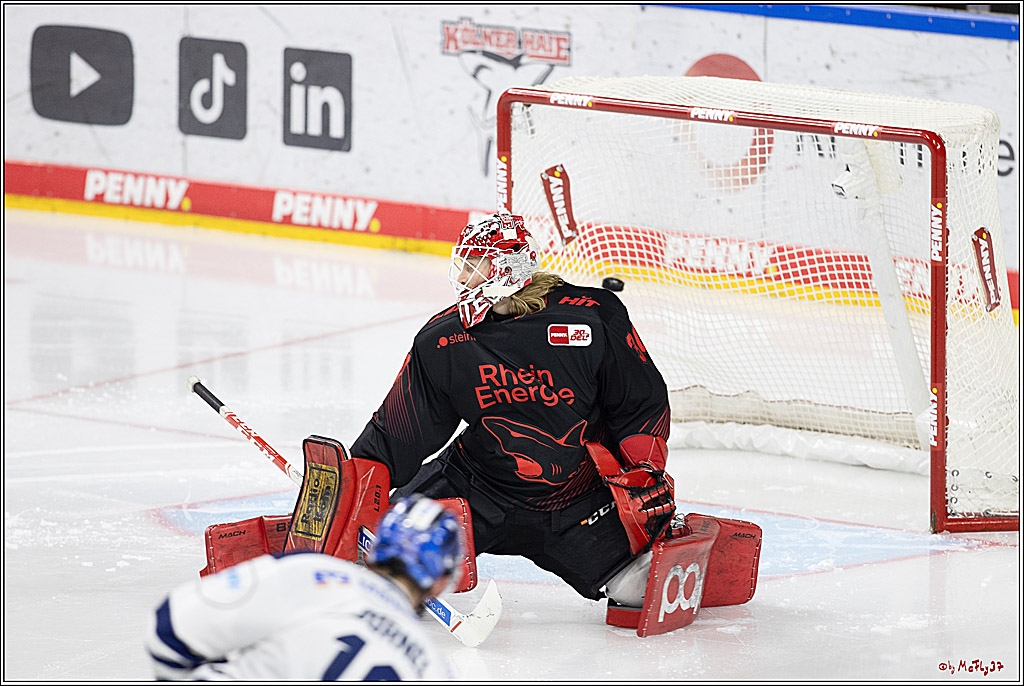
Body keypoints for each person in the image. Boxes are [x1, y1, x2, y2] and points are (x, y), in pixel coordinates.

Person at [348, 213, 675, 608]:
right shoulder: (445, 340)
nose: (463, 276)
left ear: (502, 270)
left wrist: (643, 470)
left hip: (576, 500)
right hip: (474, 487)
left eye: (474, 264)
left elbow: (639, 402)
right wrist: (355, 487)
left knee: (641, 591)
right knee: (380, 573)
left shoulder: (592, 318)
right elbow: (402, 431)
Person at [145, 495, 460, 681]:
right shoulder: (434, 669)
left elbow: (169, 628)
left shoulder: (312, 572)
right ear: (440, 582)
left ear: (373, 549)